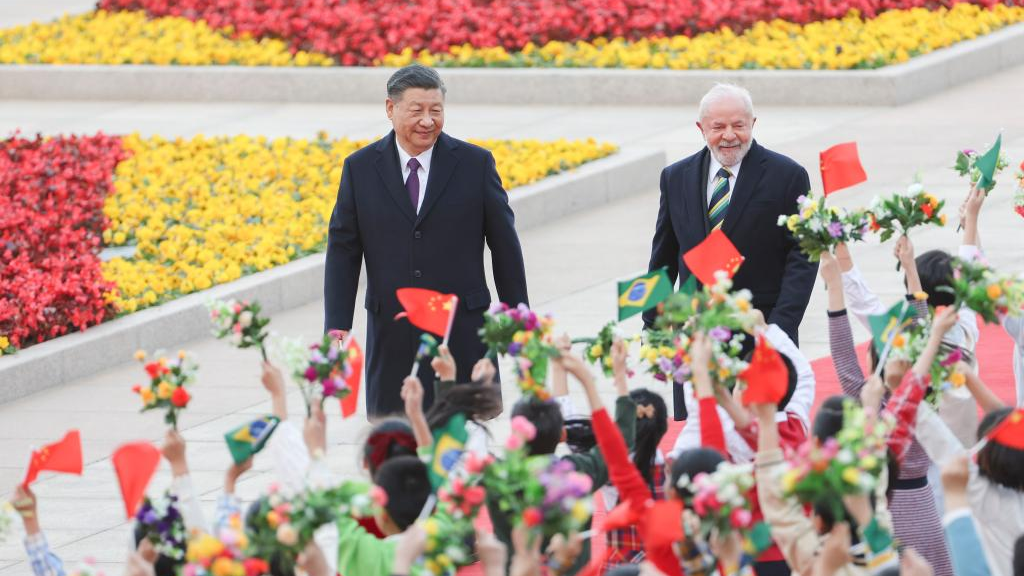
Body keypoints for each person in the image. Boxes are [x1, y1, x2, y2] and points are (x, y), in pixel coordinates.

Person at [324, 63, 529, 417]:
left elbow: (505, 244)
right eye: (416, 110)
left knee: (464, 434)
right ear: (391, 109)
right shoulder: (360, 168)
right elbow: (343, 246)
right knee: (397, 434)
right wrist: (337, 320)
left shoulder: (474, 164)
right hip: (394, 325)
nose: (427, 120)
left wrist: (516, 314)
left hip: (462, 325)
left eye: (436, 111)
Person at [645, 83, 816, 419]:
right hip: (697, 331)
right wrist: (654, 327)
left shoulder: (787, 176)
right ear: (701, 128)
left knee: (764, 433)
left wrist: (780, 328)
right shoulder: (675, 177)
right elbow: (662, 258)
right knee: (705, 437)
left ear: (753, 123)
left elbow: (803, 256)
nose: (729, 136)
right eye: (718, 127)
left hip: (761, 331)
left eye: (739, 125)